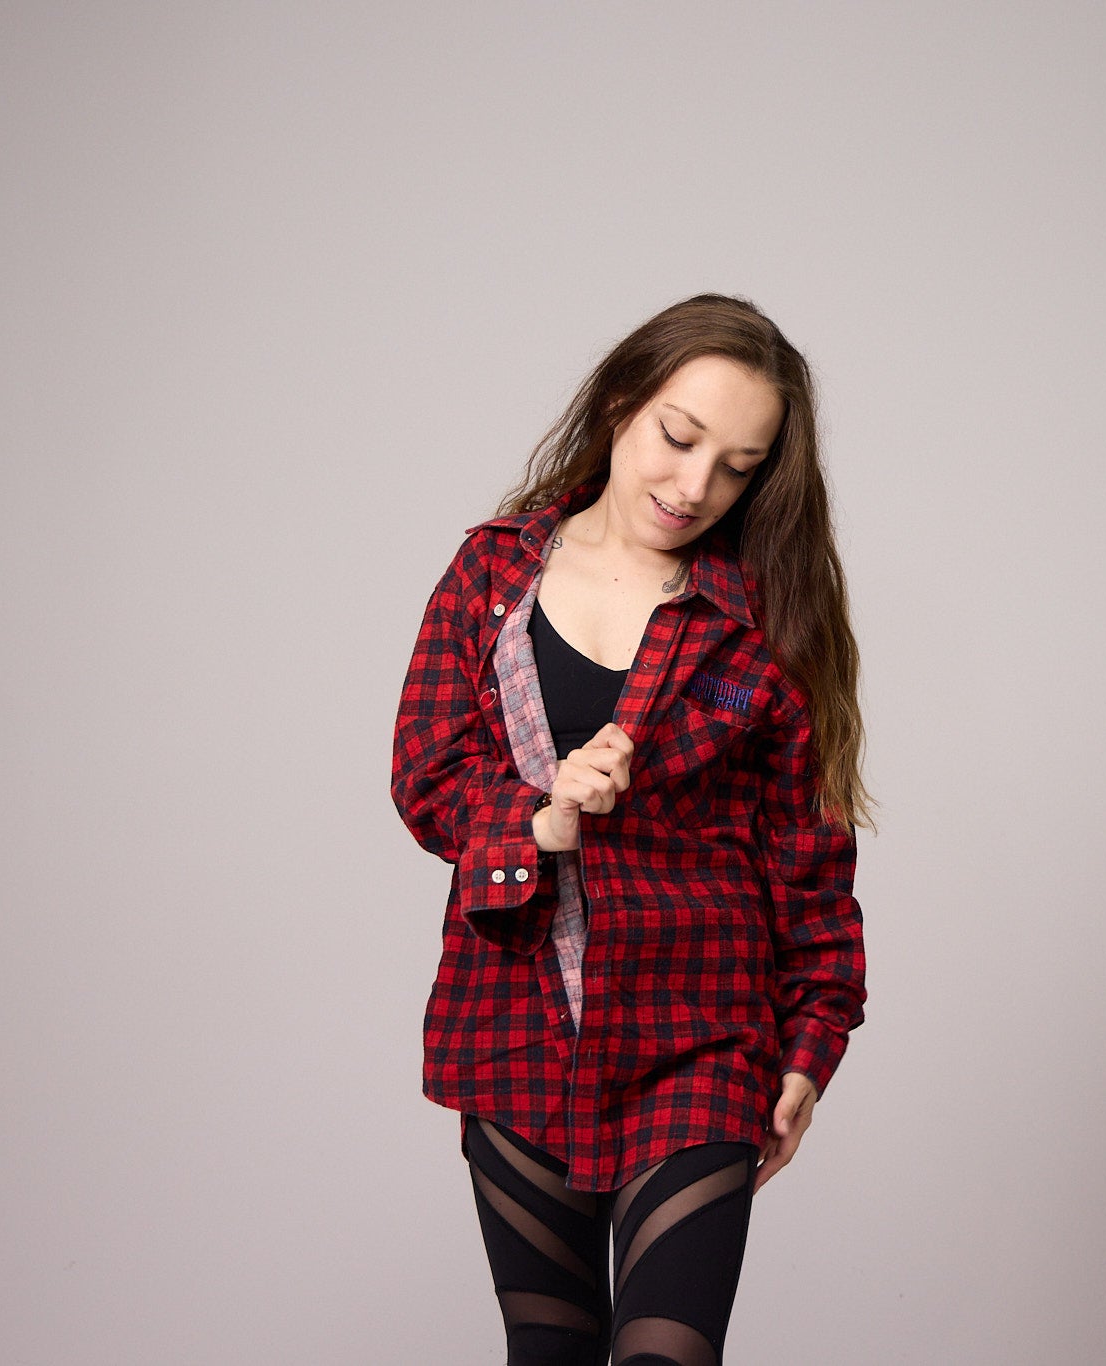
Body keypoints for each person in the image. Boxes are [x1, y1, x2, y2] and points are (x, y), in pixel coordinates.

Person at [390, 293, 872, 1366]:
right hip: (514, 1020)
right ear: (619, 402)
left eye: (737, 467)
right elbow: (425, 776)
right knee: (548, 1352)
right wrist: (537, 818)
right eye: (678, 437)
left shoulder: (766, 623)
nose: (695, 487)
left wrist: (810, 1044)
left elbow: (808, 862)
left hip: (700, 1031)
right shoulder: (490, 577)